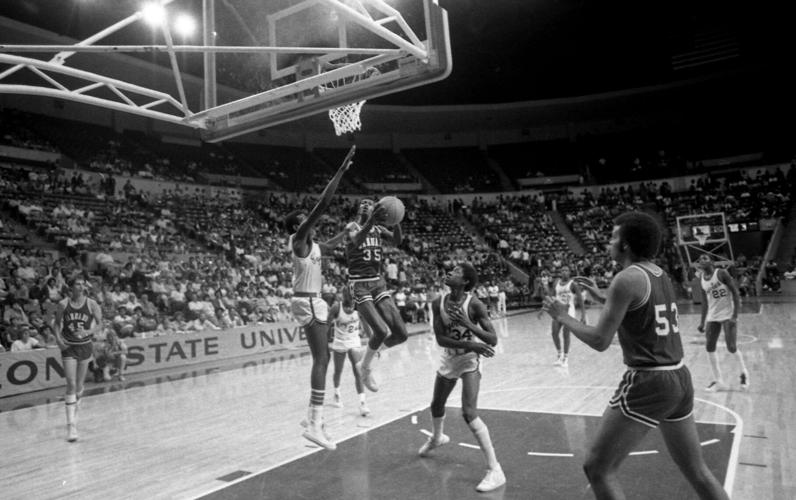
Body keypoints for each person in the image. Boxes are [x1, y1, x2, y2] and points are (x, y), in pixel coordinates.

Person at [543, 212, 728, 500]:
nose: (609, 242)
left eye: (614, 237)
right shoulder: (659, 274)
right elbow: (641, 306)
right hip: (679, 378)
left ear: (626, 245)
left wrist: (561, 316)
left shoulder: (625, 279)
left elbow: (600, 340)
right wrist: (603, 298)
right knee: (698, 471)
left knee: (597, 468)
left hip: (649, 381)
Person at [285, 145, 355, 451]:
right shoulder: (299, 240)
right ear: (297, 226)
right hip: (307, 301)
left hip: (313, 301)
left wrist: (351, 229)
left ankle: (313, 418)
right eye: (304, 219)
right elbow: (322, 205)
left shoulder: (314, 246)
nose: (310, 221)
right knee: (322, 358)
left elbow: (333, 245)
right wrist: (339, 171)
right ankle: (314, 422)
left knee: (322, 357)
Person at [418, 262, 505, 493]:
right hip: (450, 357)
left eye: (456, 272)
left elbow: (492, 339)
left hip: (469, 360)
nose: (449, 272)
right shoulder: (439, 303)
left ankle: (495, 469)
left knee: (469, 412)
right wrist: (469, 343)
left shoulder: (475, 304)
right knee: (436, 405)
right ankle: (437, 438)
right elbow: (441, 340)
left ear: (465, 281)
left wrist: (468, 326)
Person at [345, 198, 409, 393]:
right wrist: (372, 220)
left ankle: (368, 355)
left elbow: (398, 241)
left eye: (369, 203)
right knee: (380, 332)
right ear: (359, 210)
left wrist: (396, 219)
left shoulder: (379, 229)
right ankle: (364, 368)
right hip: (359, 283)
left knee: (401, 334)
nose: (365, 204)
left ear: (374, 209)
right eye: (362, 203)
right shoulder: (351, 226)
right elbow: (356, 240)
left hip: (377, 281)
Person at [54, 276, 103, 442]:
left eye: (82, 284)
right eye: (77, 283)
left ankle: (75, 409)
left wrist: (87, 332)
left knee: (80, 386)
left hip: (85, 346)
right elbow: (56, 325)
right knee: (71, 383)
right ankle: (71, 426)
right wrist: (59, 341)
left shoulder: (91, 303)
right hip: (69, 347)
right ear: (71, 287)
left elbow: (100, 324)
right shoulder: (63, 304)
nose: (81, 286)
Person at [696, 255, 749, 391]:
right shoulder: (701, 279)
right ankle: (718, 380)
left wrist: (735, 316)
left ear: (712, 262)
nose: (702, 260)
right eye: (700, 259)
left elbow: (736, 294)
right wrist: (702, 322)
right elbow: (704, 303)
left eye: (705, 258)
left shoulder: (721, 273)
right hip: (712, 316)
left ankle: (744, 373)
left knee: (731, 347)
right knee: (709, 346)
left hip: (727, 314)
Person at [328, 288, 371, 417]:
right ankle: (336, 393)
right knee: (338, 370)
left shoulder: (359, 307)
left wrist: (373, 342)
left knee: (357, 372)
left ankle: (362, 403)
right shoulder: (336, 307)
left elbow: (366, 326)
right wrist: (324, 344)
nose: (349, 309)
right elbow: (326, 325)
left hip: (354, 342)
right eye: (347, 306)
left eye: (352, 305)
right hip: (339, 342)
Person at [549, 266, 585, 367]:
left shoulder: (573, 284)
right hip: (558, 311)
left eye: (566, 270)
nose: (564, 272)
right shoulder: (556, 283)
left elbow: (580, 299)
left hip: (569, 311)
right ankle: (559, 355)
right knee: (554, 333)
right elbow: (551, 296)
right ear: (560, 272)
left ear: (569, 272)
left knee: (566, 334)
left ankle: (566, 358)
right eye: (562, 270)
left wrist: (583, 315)